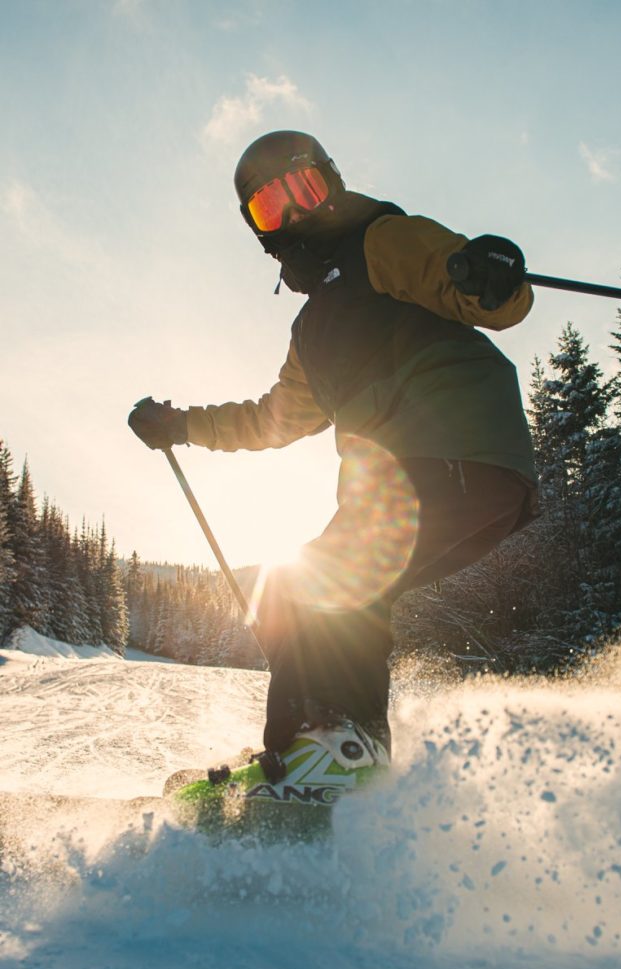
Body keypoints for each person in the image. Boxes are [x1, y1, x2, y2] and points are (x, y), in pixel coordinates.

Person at [129, 130, 538, 789]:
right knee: (303, 589)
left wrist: (489, 279)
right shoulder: (312, 331)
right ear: (257, 228)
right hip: (444, 479)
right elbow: (269, 422)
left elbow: (470, 289)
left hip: (457, 450)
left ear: (330, 182)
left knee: (325, 579)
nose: (291, 215)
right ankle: (328, 749)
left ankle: (332, 749)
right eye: (269, 207)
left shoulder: (380, 240)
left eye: (302, 191)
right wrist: (179, 426)